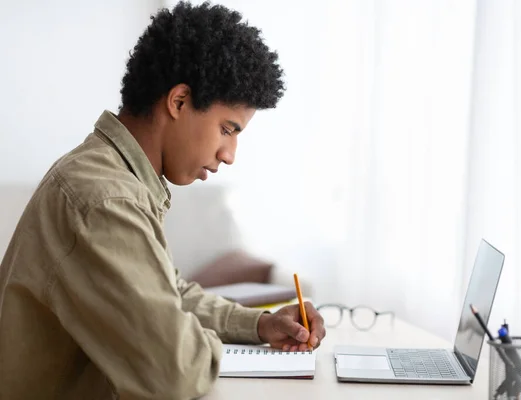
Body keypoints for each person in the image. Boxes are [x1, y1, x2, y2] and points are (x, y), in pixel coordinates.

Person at [0, 1, 326, 399]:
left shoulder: (114, 177)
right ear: (179, 102)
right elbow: (173, 373)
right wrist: (199, 343)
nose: (230, 154)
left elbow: (169, 294)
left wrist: (259, 326)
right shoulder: (105, 198)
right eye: (227, 129)